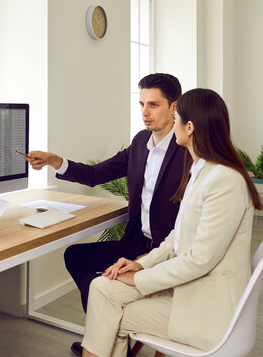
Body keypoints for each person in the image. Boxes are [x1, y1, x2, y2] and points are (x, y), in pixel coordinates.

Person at [81, 88, 263, 357]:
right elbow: (178, 237)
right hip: (189, 291)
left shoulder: (225, 180)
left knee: (112, 311)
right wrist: (140, 264)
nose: (172, 124)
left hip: (206, 309)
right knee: (102, 287)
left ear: (189, 127)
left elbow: (199, 260)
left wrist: (139, 279)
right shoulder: (201, 170)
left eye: (176, 118)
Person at [26, 73, 186, 356]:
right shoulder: (140, 143)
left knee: (101, 283)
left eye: (153, 105)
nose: (145, 113)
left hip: (167, 252)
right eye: (141, 104)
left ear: (174, 107)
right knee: (75, 257)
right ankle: (105, 335)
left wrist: (148, 260)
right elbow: (94, 174)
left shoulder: (186, 149)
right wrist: (54, 161)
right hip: (137, 241)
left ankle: (102, 339)